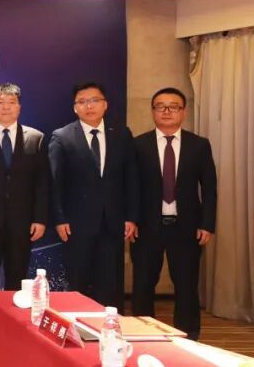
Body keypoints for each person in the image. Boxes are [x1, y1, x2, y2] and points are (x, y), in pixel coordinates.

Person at [132, 87, 217, 340]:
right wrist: (131, 220)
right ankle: (143, 335)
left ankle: (188, 337)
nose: (167, 111)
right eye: (160, 106)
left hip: (187, 227)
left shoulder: (199, 145)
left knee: (186, 286)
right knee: (143, 284)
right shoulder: (138, 145)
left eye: (173, 106)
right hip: (146, 227)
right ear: (152, 111)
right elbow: (130, 187)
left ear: (183, 111)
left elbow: (209, 188)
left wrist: (207, 224)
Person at [48, 81, 139, 309]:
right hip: (76, 224)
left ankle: (110, 326)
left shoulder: (122, 134)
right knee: (77, 281)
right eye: (82, 102)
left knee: (111, 283)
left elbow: (131, 178)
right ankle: (77, 326)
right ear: (75, 107)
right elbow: (55, 183)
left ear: (105, 104)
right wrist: (59, 218)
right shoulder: (62, 137)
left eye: (94, 100)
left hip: (113, 223)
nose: (89, 106)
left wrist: (131, 217)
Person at [0, 83, 49, 325]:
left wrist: (40, 218)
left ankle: (15, 327)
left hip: (22, 223)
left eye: (11, 102)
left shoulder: (36, 138)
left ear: (19, 107)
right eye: (0, 102)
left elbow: (42, 183)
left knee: (18, 277)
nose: (6, 107)